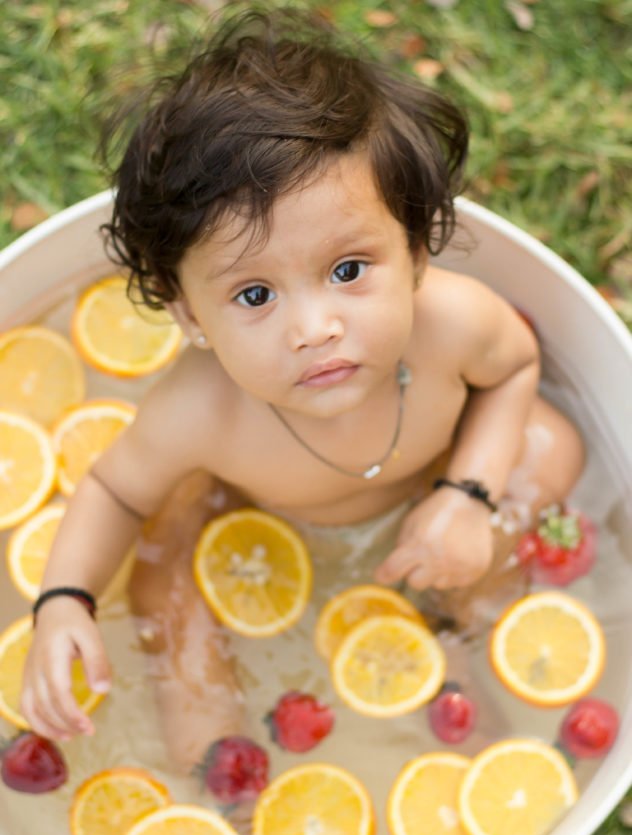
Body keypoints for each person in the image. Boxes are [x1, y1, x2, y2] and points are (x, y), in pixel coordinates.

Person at [21, 5, 585, 750]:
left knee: (552, 448)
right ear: (188, 313)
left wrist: (468, 494)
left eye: (348, 270)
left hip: (434, 480)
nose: (313, 328)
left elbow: (514, 367)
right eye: (254, 295)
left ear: (416, 251)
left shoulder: (450, 324)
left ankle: (451, 624)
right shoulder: (202, 410)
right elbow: (115, 490)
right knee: (163, 585)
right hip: (252, 519)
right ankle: (224, 791)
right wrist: (64, 600)